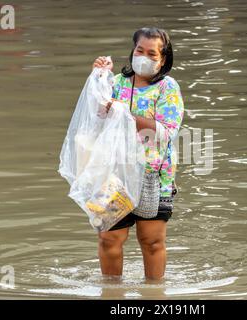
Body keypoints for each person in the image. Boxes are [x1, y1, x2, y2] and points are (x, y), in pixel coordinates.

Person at [92, 27, 184, 280]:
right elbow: (96, 119)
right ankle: (112, 295)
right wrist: (98, 79)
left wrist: (125, 115)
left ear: (163, 59)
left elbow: (167, 131)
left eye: (152, 54)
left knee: (152, 241)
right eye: (139, 50)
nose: (144, 56)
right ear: (132, 51)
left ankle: (155, 296)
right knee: (109, 239)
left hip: (154, 176)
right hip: (114, 174)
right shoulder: (117, 83)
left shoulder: (167, 87)